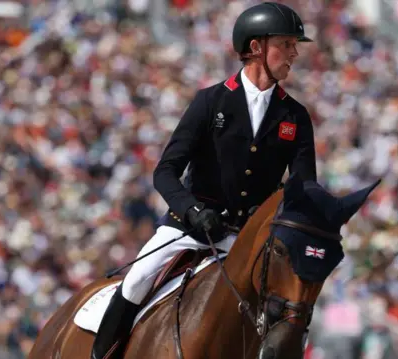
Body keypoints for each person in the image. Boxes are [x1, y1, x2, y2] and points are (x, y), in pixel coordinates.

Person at [91, 2, 317, 358]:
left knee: (288, 312)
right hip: (190, 229)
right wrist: (193, 210)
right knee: (136, 280)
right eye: (287, 44)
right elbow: (165, 171)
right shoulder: (210, 102)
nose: (294, 53)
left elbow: (303, 192)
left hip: (246, 243)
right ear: (257, 47)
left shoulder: (296, 117)